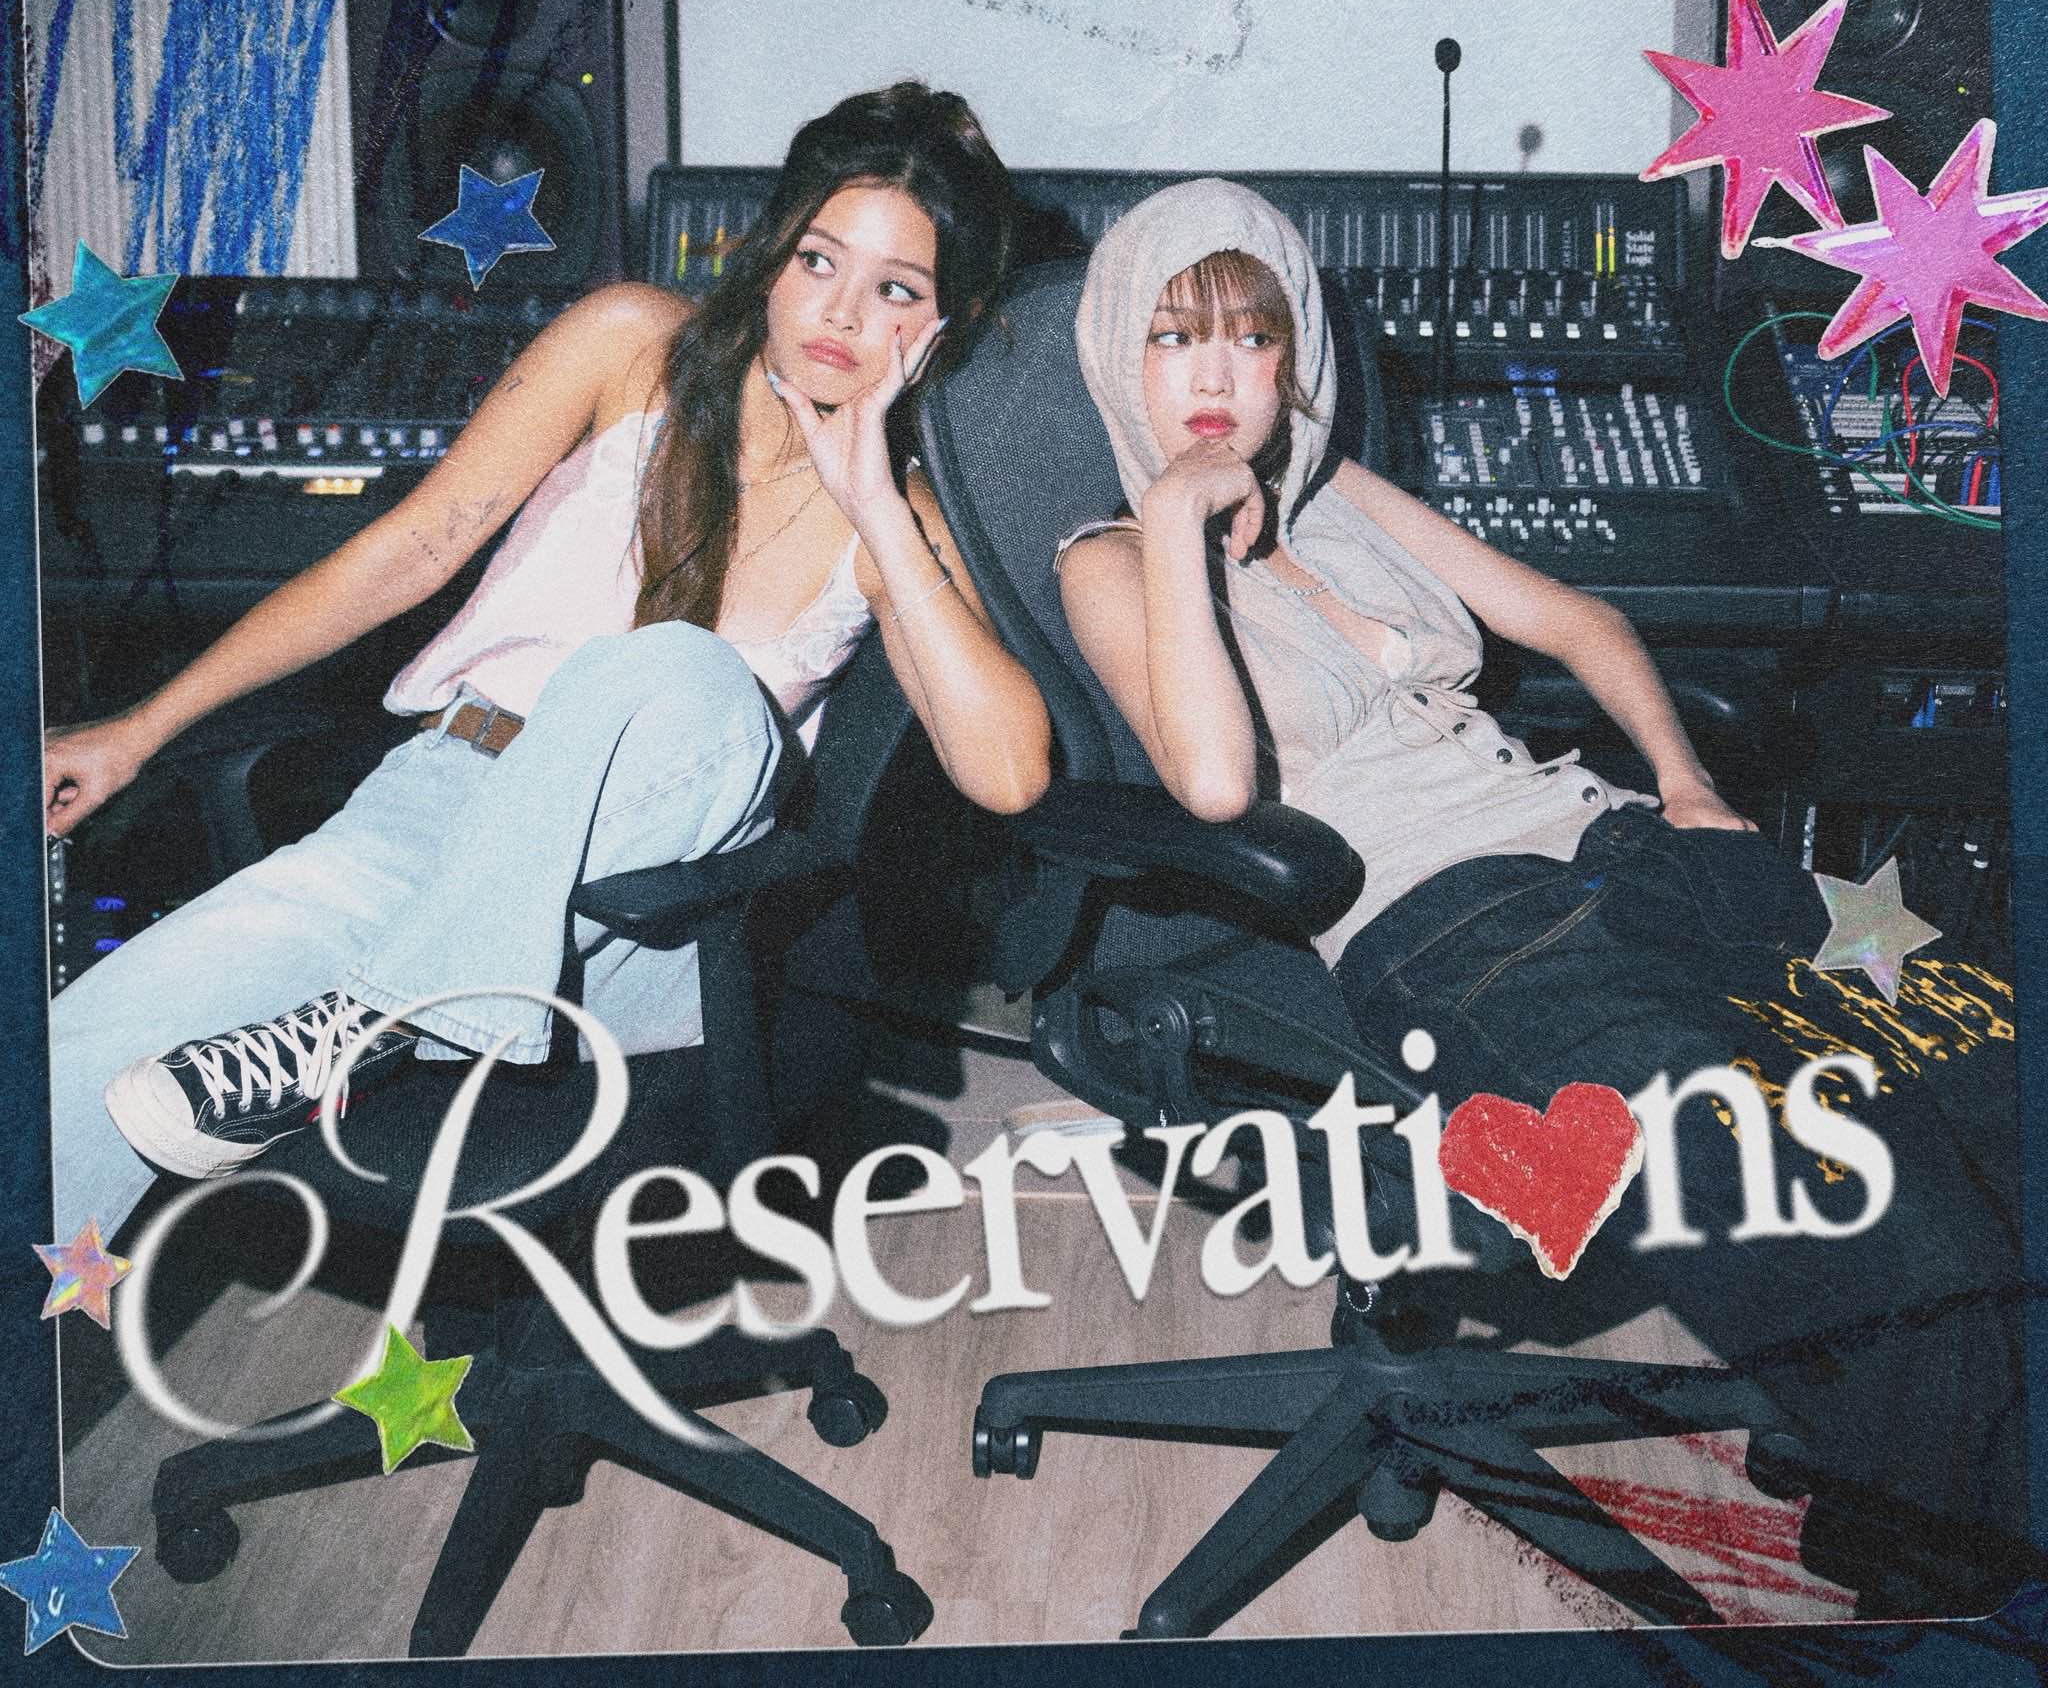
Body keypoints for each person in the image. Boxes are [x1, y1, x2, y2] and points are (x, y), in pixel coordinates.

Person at [1055, 177, 2024, 1615]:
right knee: (1795, 1154)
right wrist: (1178, 513)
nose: (1216, 374)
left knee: (1979, 1045)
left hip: (1620, 843)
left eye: (1252, 337)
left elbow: (1578, 619)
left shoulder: (1341, 491)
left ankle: (1911, 1442)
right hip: (1451, 925)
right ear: (1114, 357)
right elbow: (1208, 783)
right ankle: (1937, 1539)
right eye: (1171, 337)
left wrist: (1682, 782)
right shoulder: (1112, 560)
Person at [44, 81, 1051, 1243]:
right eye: (819, 259)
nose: (839, 311)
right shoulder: (631, 343)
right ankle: (358, 1026)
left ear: (942, 323)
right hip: (432, 809)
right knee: (76, 1062)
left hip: (632, 917)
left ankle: (370, 1022)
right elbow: (406, 551)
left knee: (671, 669)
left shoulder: (898, 520)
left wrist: (872, 497)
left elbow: (1009, 773)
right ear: (774, 250)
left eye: (895, 290)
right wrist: (139, 727)